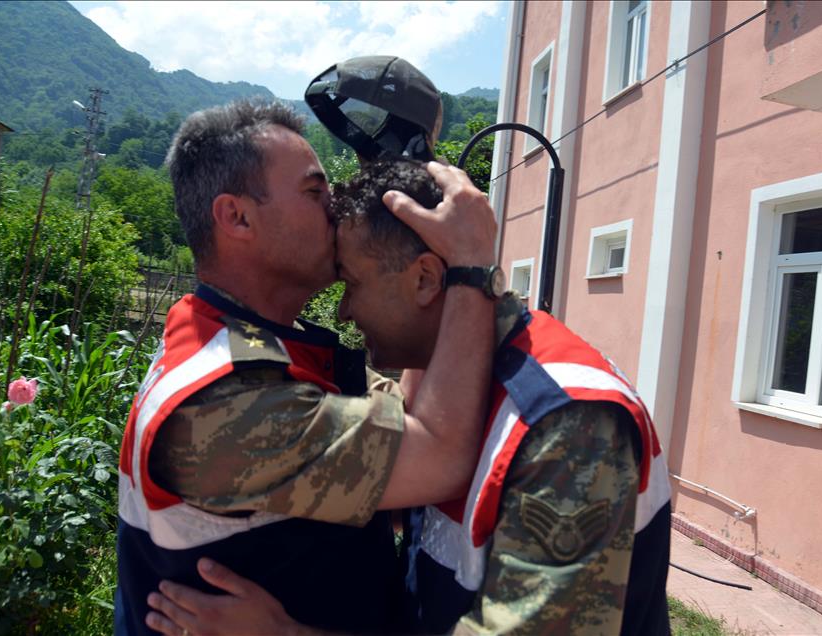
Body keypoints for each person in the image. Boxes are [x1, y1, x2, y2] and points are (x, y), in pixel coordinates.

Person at [144, 161, 674, 636]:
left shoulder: (567, 424)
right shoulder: (457, 389)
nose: (344, 313)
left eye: (350, 283)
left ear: (424, 278)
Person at [115, 100, 500, 636]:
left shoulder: (249, 347)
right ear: (237, 217)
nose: (335, 208)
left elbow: (406, 421)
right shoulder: (225, 401)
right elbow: (437, 457)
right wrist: (471, 264)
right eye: (315, 192)